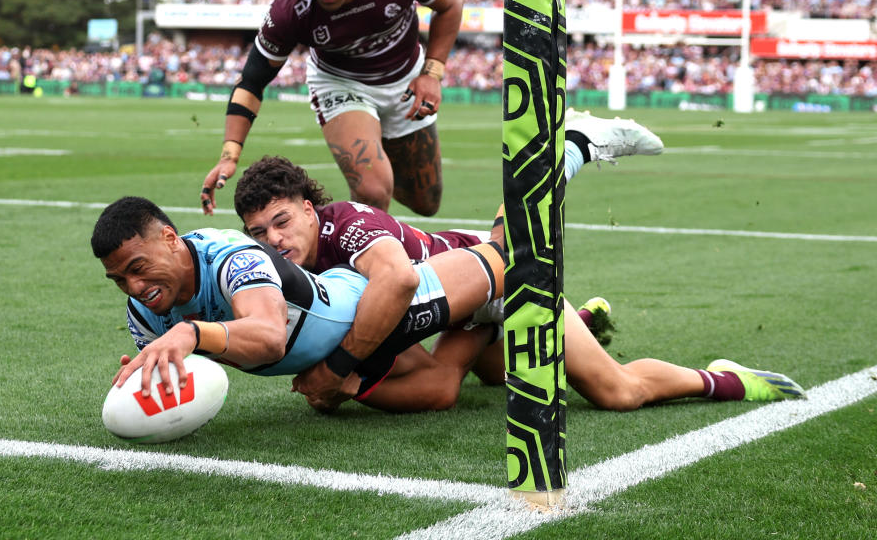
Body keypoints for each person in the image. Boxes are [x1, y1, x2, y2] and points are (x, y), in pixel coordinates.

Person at [231, 155, 809, 413]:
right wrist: (337, 389)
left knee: (614, 393)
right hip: (460, 317)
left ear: (310, 209)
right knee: (497, 374)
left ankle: (723, 379)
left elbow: (399, 285)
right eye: (259, 233)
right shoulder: (288, 274)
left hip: (494, 285)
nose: (274, 240)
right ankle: (579, 323)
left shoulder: (348, 224)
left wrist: (338, 376)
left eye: (282, 221)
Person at [91, 196, 506, 413]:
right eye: (119, 280)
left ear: (169, 239)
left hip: (378, 307)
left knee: (515, 256)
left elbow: (271, 338)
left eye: (138, 268)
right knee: (451, 386)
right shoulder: (145, 314)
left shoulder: (231, 257)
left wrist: (192, 333)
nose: (134, 286)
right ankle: (484, 327)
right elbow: (187, 374)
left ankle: (567, 144)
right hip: (344, 345)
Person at [199, 0, 465, 218]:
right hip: (341, 83)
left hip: (407, 78)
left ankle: (380, 150)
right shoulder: (290, 10)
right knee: (374, 189)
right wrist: (229, 155)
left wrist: (432, 73)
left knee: (426, 203)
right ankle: (342, 247)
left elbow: (451, 2)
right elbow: (251, 82)